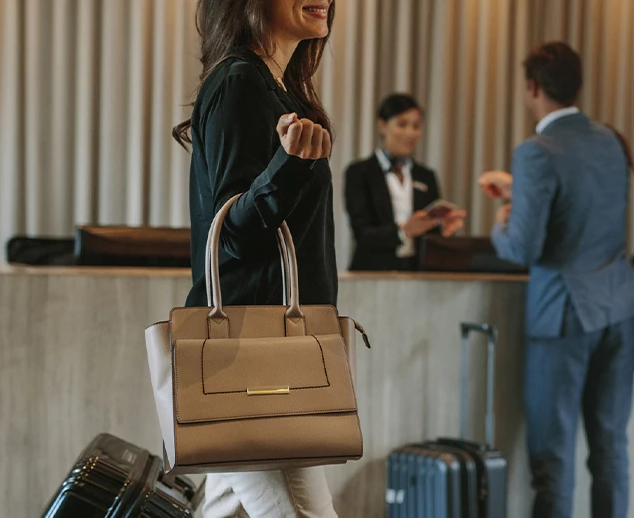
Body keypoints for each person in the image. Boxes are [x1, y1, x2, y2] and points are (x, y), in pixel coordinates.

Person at [172, 0, 340, 516]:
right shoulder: (240, 80)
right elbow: (231, 235)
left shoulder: (276, 88)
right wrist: (290, 165)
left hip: (267, 358)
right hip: (255, 366)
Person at [485, 42, 634, 518]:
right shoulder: (610, 141)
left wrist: (502, 221)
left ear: (532, 87)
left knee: (553, 460)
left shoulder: (536, 151)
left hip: (563, 317)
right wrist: (522, 192)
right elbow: (585, 205)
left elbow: (524, 248)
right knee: (611, 449)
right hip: (620, 310)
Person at [343, 94, 465, 271]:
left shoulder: (426, 176)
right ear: (382, 125)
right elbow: (362, 233)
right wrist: (404, 231)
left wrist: (441, 227)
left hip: (417, 273)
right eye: (402, 124)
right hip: (372, 272)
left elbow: (430, 236)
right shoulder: (360, 172)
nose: (410, 133)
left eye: (416, 126)